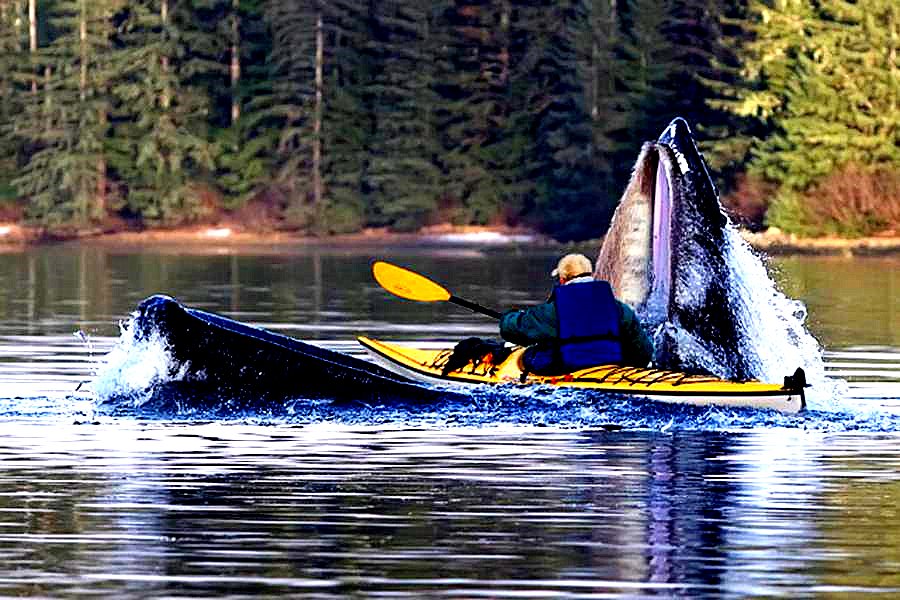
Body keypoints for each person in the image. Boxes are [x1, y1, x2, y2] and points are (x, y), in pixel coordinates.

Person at [499, 253, 653, 375]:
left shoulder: (554, 310)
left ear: (562, 279)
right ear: (591, 275)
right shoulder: (619, 308)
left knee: (528, 355)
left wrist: (509, 316)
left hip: (566, 367)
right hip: (611, 366)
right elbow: (643, 351)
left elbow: (512, 330)